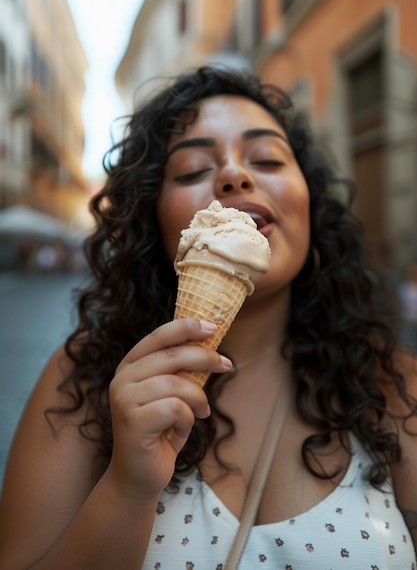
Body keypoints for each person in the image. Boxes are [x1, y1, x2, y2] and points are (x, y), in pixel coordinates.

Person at [0, 65, 416, 569]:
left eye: (266, 158)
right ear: (154, 221)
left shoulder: (391, 382)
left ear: (310, 201)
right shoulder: (82, 380)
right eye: (193, 170)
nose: (234, 175)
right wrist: (127, 490)